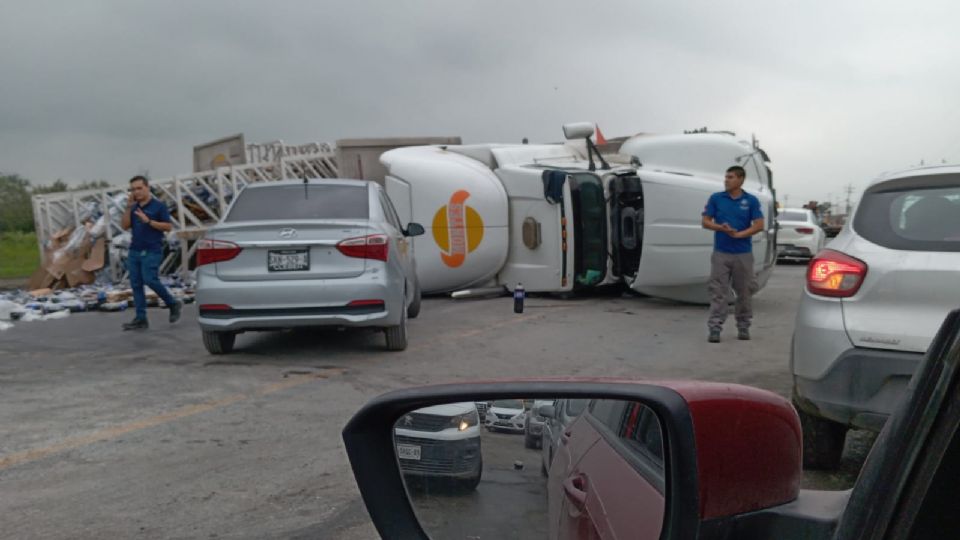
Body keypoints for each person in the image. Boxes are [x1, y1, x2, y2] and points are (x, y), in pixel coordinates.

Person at [701, 166, 765, 343]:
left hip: (743, 254)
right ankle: (715, 327)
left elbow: (759, 225)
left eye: (730, 177)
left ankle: (743, 325)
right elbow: (705, 222)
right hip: (721, 253)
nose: (726, 180)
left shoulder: (751, 200)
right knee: (718, 291)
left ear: (741, 179)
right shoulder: (716, 198)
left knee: (744, 291)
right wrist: (720, 227)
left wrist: (739, 234)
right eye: (726, 177)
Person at [120, 175, 181, 330]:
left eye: (139, 188)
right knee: (136, 284)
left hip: (152, 249)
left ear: (147, 188)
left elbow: (168, 227)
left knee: (150, 279)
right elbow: (125, 226)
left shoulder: (158, 206)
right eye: (133, 189)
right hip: (135, 249)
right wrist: (128, 207)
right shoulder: (134, 208)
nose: (137, 192)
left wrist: (149, 221)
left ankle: (172, 303)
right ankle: (141, 318)